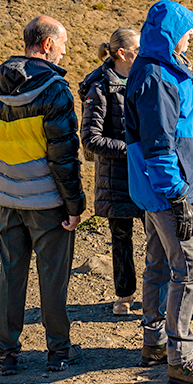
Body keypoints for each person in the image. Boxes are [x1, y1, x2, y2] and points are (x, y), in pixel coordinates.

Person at [0, 15, 87, 376]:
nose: (65, 52)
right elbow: (64, 156)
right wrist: (74, 205)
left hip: (6, 198)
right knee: (53, 278)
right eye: (63, 45)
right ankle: (58, 352)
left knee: (10, 273)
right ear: (48, 44)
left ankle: (7, 354)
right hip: (47, 203)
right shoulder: (55, 90)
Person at [125, 0, 193, 384]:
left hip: (155, 190)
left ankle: (155, 342)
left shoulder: (156, 69)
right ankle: (180, 357)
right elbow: (159, 145)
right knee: (188, 269)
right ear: (170, 34)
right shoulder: (157, 77)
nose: (192, 35)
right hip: (166, 191)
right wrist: (178, 195)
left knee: (160, 263)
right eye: (187, 29)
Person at [80, 27, 142, 315]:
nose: (142, 55)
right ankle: (124, 296)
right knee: (121, 238)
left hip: (144, 173)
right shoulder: (100, 89)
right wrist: (131, 150)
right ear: (122, 54)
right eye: (137, 50)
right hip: (117, 178)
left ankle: (158, 294)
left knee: (157, 235)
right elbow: (90, 138)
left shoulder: (143, 79)